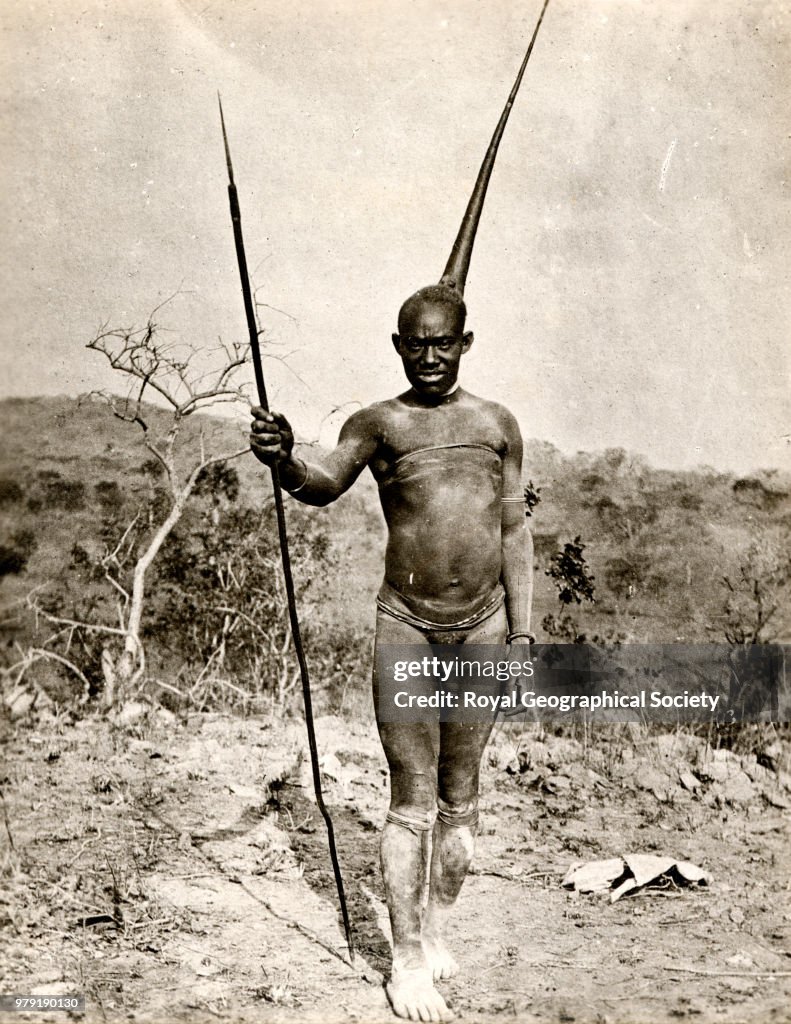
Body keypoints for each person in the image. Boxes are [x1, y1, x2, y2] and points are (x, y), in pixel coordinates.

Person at [250, 33, 540, 1024]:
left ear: (463, 342)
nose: (426, 357)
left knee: (462, 808)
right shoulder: (376, 422)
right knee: (410, 799)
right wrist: (281, 451)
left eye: (441, 343)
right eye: (412, 344)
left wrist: (528, 633)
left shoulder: (496, 424)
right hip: (406, 626)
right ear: (396, 346)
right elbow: (319, 484)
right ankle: (404, 957)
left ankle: (436, 924)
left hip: (486, 630)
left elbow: (513, 535)